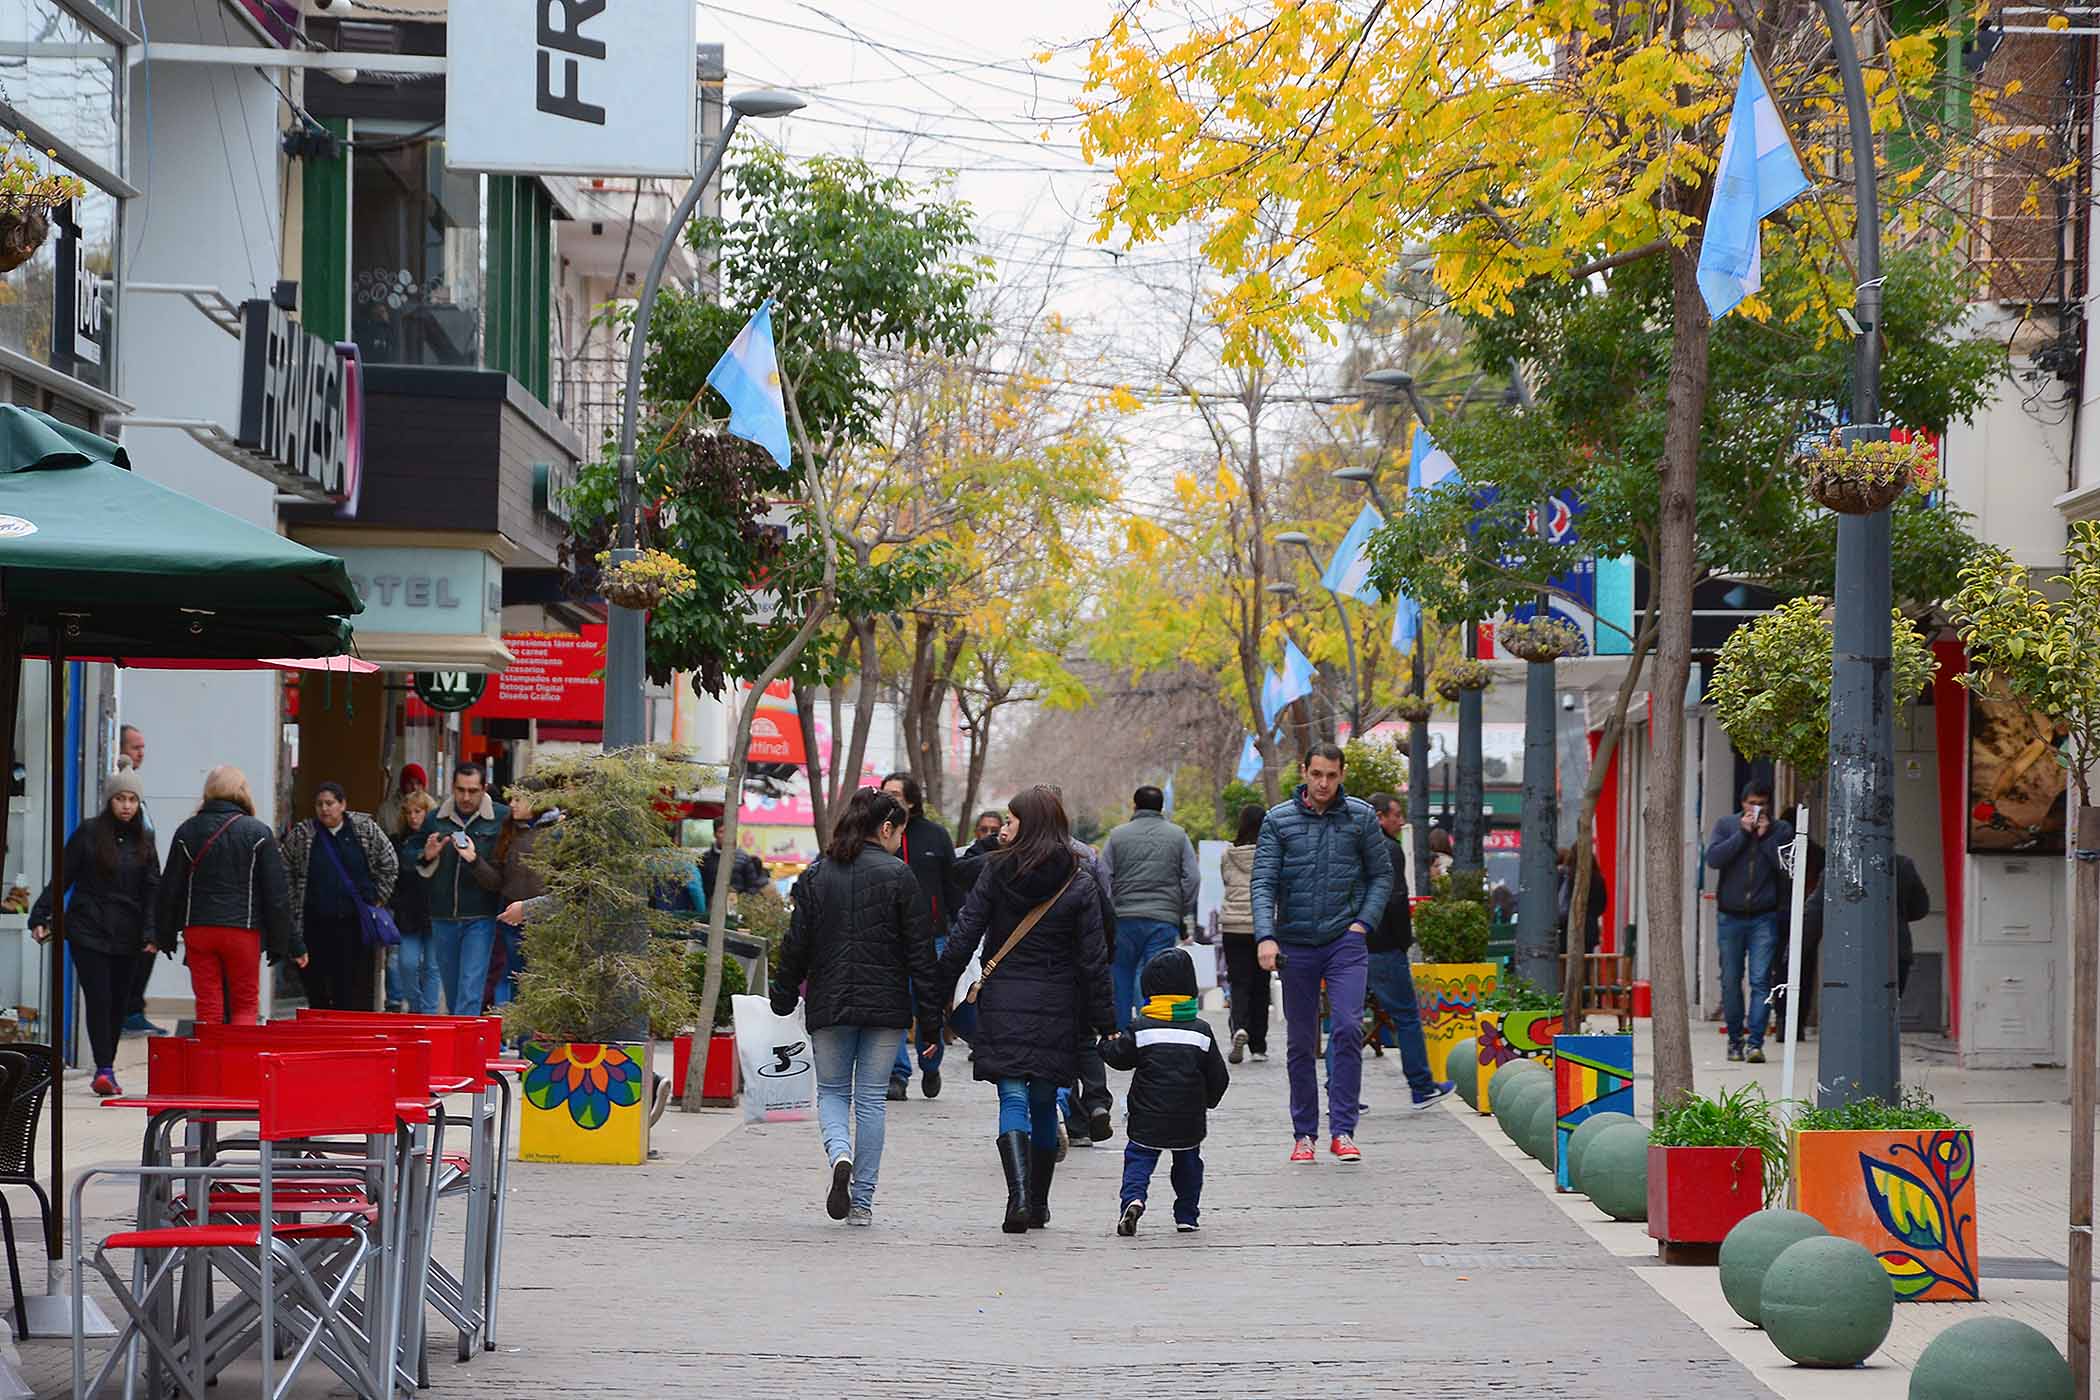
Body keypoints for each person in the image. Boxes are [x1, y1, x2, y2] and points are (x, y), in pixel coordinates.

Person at [935, 785, 1114, 1234]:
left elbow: (965, 935)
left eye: (1011, 821)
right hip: (1059, 1001)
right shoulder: (1079, 879)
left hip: (1004, 997)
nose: (1005, 828)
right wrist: (1106, 1022)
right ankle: (1038, 1203)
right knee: (1041, 1101)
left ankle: (1016, 1197)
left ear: (1030, 824)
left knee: (1012, 1095)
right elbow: (1094, 958)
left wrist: (936, 991)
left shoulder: (995, 873)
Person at [771, 788, 942, 1226]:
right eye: (898, 833)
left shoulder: (815, 876)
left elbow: (797, 944)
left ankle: (839, 1155)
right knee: (870, 1101)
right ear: (885, 828)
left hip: (828, 1002)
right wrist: (932, 1020)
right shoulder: (901, 876)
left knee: (831, 1092)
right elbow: (920, 954)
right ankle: (862, 1203)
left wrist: (784, 993)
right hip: (886, 1006)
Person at [1251, 742, 1392, 1165]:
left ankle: (1343, 1128)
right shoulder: (1278, 821)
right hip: (1294, 944)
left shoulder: (1361, 817)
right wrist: (1265, 936)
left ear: (1342, 773)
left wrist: (1361, 924)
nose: (1324, 783)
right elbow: (1263, 882)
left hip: (1344, 940)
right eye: (1316, 774)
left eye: (1331, 775)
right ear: (1304, 771)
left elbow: (1381, 876)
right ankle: (1304, 1134)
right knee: (1299, 1041)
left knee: (1348, 1027)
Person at [31, 772, 159, 1095]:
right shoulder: (89, 833)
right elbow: (63, 875)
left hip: (128, 934)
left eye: (132, 800)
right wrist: (42, 913)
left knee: (118, 1002)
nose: (126, 806)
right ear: (109, 801)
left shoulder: (145, 840)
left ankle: (107, 1064)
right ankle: (104, 1068)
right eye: (120, 799)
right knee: (99, 998)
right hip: (89, 929)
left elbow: (152, 888)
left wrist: (152, 932)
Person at [155, 766, 302, 1024]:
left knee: (208, 1004)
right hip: (242, 930)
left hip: (198, 928)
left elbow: (170, 888)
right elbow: (276, 894)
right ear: (243, 791)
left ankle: (211, 1062)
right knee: (244, 1004)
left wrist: (164, 933)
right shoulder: (258, 833)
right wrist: (282, 942)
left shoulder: (187, 831)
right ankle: (240, 1062)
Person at [1099, 946, 1229, 1236]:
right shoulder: (1201, 1031)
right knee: (1188, 1164)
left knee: (1139, 1159)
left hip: (1147, 1114)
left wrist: (1104, 1045)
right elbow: (1218, 1076)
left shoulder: (1142, 1028)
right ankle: (1187, 1215)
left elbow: (1120, 1058)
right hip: (1188, 1116)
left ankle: (1133, 1200)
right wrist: (1207, 1102)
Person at [1361, 792, 1455, 1109]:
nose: (1400, 821)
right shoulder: (1389, 849)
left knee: (1348, 1022)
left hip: (1352, 946)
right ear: (1379, 816)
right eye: (1395, 815)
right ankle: (1421, 1085)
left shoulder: (1353, 846)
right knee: (1407, 1017)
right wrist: (1403, 940)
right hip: (1385, 945)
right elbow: (1396, 899)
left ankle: (1340, 1091)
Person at [881, 772, 963, 1101]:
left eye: (896, 794)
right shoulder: (877, 836)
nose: (889, 799)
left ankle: (931, 1064)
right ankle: (898, 1074)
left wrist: (959, 926)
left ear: (912, 800)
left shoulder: (935, 836)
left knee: (928, 1004)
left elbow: (952, 885)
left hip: (933, 937)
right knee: (895, 1007)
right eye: (884, 793)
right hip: (889, 937)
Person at [282, 782, 399, 1010]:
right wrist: (292, 901)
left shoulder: (365, 829)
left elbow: (390, 863)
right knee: (316, 983)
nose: (325, 809)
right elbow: (284, 869)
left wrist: (377, 897)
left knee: (350, 985)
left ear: (342, 804)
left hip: (354, 923)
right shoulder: (303, 834)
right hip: (315, 922)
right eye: (319, 804)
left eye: (330, 803)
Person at [1705, 778, 1794, 1063]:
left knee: (1760, 981)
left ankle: (1755, 1043)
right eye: (1751, 804)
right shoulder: (1726, 826)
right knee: (1731, 981)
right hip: (1730, 916)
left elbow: (1784, 867)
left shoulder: (1781, 830)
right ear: (1742, 804)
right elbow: (1714, 859)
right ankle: (1735, 1041)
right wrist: (1743, 835)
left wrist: (1765, 838)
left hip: (1764, 917)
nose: (1756, 809)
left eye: (1761, 804)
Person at [1099, 785, 1199, 1029]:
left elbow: (1103, 876)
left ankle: (1121, 1034)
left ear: (1135, 806)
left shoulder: (1117, 835)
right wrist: (1180, 907)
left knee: (1121, 976)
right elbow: (1192, 877)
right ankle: (1151, 1028)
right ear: (1161, 807)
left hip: (1124, 918)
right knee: (1155, 975)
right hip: (1163, 919)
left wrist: (1110, 908)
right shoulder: (1178, 835)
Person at [416, 763, 505, 1016]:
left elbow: (505, 868)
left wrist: (475, 859)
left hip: (481, 914)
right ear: (452, 788)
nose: (466, 797)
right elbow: (409, 855)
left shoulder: (500, 818)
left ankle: (464, 1051)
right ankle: (460, 1043)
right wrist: (426, 855)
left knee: (470, 989)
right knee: (453, 991)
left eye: (473, 791)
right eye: (460, 790)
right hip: (442, 914)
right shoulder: (435, 819)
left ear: (484, 789)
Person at [115, 724, 166, 1036]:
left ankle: (133, 1008)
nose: (141, 753)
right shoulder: (119, 795)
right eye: (135, 747)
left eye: (143, 747)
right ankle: (129, 1010)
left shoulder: (138, 796)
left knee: (148, 946)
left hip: (144, 887)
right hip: (128, 891)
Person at [490, 791, 561, 1007]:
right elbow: (497, 878)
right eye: (511, 799)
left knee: (537, 981)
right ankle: (510, 1034)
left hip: (545, 918)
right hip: (512, 916)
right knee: (512, 976)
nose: (512, 804)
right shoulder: (509, 829)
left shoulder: (556, 831)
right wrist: (473, 860)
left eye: (518, 799)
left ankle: (526, 1038)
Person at [1218, 803, 1270, 1064]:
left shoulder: (1229, 854)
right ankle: (1258, 1046)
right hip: (1261, 925)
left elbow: (1226, 881)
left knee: (1238, 982)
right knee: (1261, 985)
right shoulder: (1269, 852)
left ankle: (1239, 1026)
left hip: (1232, 926)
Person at [391, 790, 442, 1014]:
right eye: (408, 812)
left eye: (418, 811)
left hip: (435, 908)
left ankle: (428, 1015)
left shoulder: (439, 839)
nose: (413, 817)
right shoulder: (399, 840)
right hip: (408, 910)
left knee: (432, 967)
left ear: (427, 812)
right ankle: (416, 1007)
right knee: (407, 964)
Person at [1555, 844, 1609, 954]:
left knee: (1564, 964)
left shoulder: (1566, 875)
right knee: (1586, 965)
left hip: (1567, 928)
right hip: (1589, 929)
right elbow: (1601, 907)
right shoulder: (1598, 878)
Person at [699, 821, 770, 899]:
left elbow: (752, 886)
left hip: (737, 906)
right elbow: (700, 886)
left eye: (729, 831)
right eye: (721, 832)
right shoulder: (705, 858)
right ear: (714, 834)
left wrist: (743, 902)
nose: (725, 835)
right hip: (711, 906)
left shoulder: (744, 857)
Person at [378, 762, 428, 841]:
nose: (414, 787)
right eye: (410, 783)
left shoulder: (431, 807)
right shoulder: (386, 810)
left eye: (418, 783)